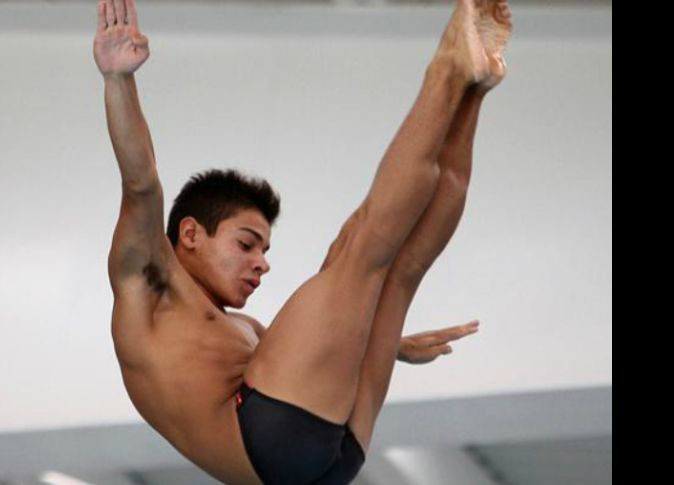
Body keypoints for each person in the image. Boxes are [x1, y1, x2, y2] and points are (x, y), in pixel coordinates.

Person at [93, 0, 511, 483]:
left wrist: (393, 346)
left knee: (399, 274)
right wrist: (118, 80)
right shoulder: (148, 284)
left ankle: (472, 90)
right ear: (189, 234)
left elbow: (327, 353)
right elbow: (140, 183)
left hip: (327, 458)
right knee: (357, 252)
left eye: (264, 250)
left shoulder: (246, 329)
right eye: (247, 244)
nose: (261, 264)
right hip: (267, 438)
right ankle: (445, 69)